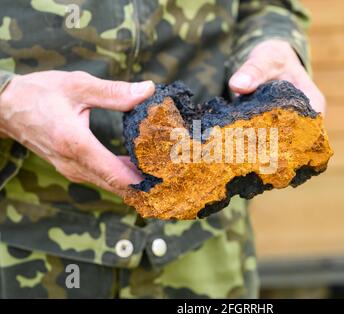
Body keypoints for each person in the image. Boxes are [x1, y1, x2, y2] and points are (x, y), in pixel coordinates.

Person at [0, 0, 325, 298]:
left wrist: (275, 45)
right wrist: (7, 100)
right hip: (25, 245)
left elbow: (266, 7)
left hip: (205, 247)